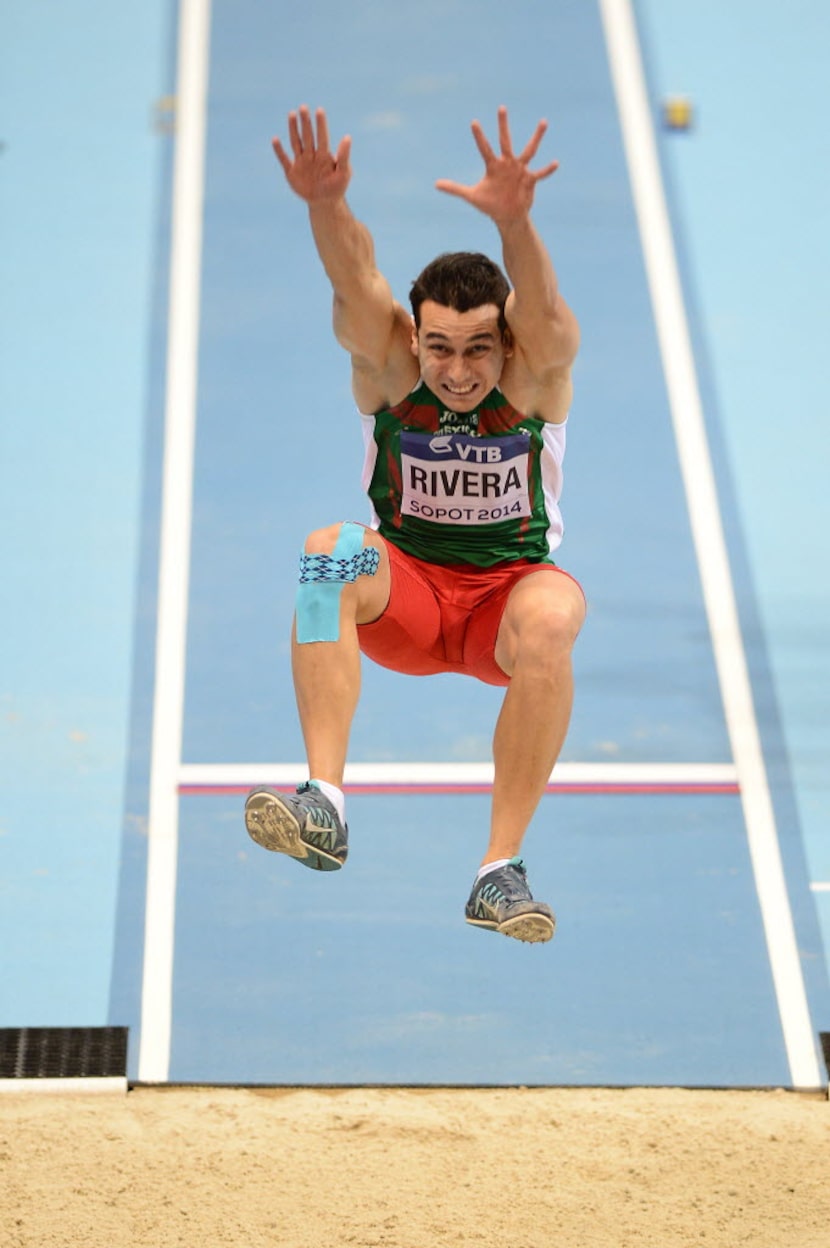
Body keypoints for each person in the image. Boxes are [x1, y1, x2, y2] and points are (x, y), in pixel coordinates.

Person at [244, 103, 586, 943]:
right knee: (328, 554)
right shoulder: (393, 368)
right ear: (416, 335)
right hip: (411, 601)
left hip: (500, 609)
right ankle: (323, 804)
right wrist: (325, 208)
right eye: (441, 347)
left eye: (478, 348)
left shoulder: (535, 375)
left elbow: (540, 307)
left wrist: (515, 223)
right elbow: (355, 281)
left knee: (554, 613)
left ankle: (499, 872)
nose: (459, 370)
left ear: (504, 342)